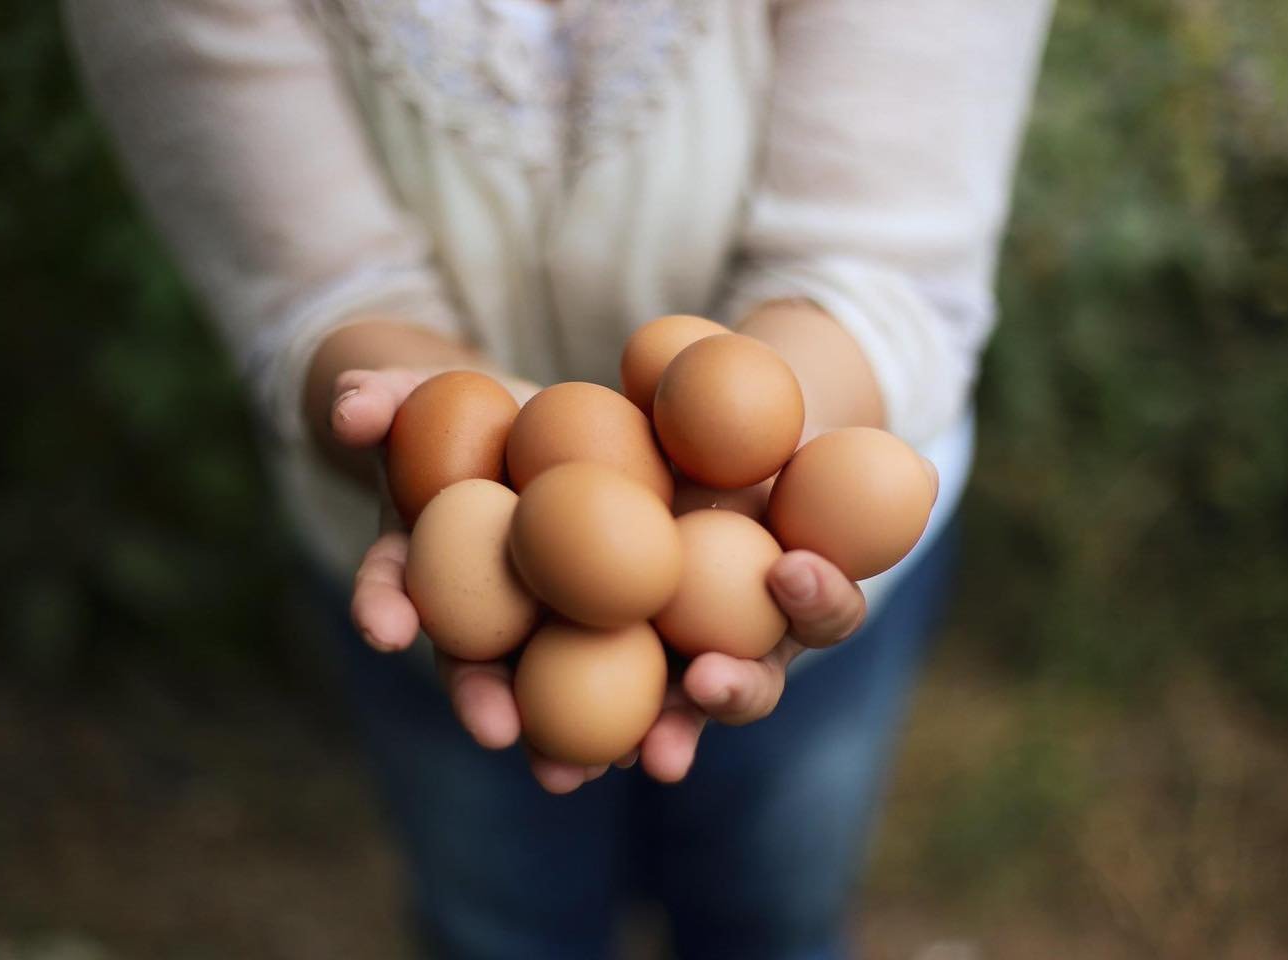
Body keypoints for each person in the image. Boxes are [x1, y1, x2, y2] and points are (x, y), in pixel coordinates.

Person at [66, 0, 1052, 955]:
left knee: (771, 921)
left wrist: (765, 455)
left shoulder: (750, 528)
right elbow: (315, 288)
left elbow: (879, 258)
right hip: (426, 585)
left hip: (800, 560)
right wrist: (430, 431)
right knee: (503, 929)